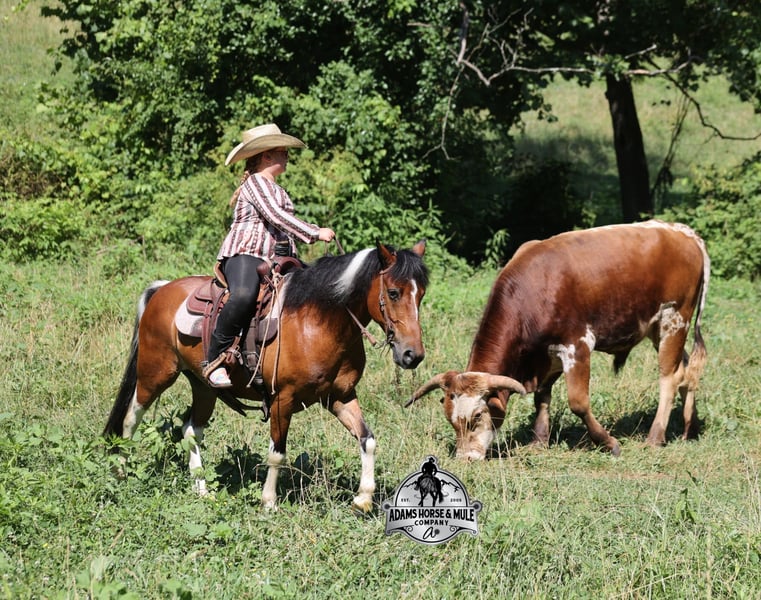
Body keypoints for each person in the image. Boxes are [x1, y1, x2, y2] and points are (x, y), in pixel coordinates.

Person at [203, 123, 335, 388]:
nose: (287, 155)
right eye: (283, 151)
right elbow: (277, 216)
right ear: (266, 156)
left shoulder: (278, 189)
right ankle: (215, 360)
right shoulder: (255, 183)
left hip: (277, 261)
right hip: (246, 255)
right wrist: (314, 232)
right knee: (243, 295)